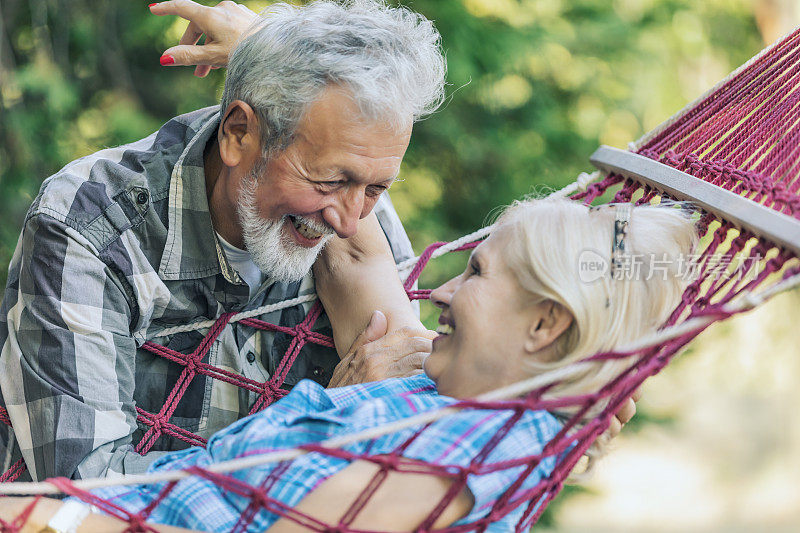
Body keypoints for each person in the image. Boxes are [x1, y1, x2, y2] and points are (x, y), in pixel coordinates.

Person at [0, 197, 698, 532]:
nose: (441, 289)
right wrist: (281, 69)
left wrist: (71, 522)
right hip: (133, 505)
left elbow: (298, 522)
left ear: (545, 325)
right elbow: (358, 251)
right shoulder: (440, 382)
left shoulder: (489, 448)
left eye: (477, 273)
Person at [0, 0, 447, 482]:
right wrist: (320, 428)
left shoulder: (354, 201)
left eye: (378, 187)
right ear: (237, 134)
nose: (348, 220)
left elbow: (408, 445)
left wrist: (268, 45)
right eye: (328, 181)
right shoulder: (93, 227)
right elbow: (91, 489)